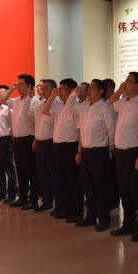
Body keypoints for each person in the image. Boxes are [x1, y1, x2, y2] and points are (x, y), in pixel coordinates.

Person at [108, 72, 138, 242]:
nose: (125, 84)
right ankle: (128, 224)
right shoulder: (124, 102)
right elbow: (111, 102)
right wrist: (120, 90)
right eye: (125, 81)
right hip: (120, 154)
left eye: (128, 82)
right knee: (125, 192)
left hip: (134, 153)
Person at [72, 80, 116, 232]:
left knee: (101, 187)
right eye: (88, 88)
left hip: (99, 152)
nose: (88, 90)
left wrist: (108, 150)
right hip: (86, 152)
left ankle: (104, 219)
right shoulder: (84, 107)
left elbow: (112, 133)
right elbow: (70, 105)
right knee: (88, 186)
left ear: (101, 92)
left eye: (92, 88)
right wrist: (74, 92)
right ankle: (91, 216)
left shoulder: (106, 109)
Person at [44, 79, 84, 222]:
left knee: (73, 182)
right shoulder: (59, 106)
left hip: (70, 148)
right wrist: (52, 95)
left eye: (63, 89)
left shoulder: (76, 108)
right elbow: (44, 110)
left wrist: (79, 152)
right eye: (58, 88)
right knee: (63, 181)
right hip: (58, 148)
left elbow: (81, 131)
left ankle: (77, 211)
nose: (59, 91)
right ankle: (67, 209)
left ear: (72, 90)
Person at [4, 75, 41, 210]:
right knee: (21, 171)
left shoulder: (35, 101)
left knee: (31, 171)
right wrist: (12, 88)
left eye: (21, 85)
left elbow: (38, 122)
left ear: (29, 86)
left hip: (29, 139)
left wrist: (36, 140)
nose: (18, 87)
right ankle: (23, 197)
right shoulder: (16, 101)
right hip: (17, 140)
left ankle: (34, 199)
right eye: (18, 84)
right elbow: (3, 99)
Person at [33, 79, 62, 213]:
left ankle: (59, 204)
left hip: (51, 144)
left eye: (46, 88)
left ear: (53, 89)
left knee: (55, 176)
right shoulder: (39, 105)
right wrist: (35, 140)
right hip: (40, 143)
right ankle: (47, 202)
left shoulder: (58, 105)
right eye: (42, 88)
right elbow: (36, 123)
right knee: (43, 175)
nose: (43, 90)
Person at [103, 78, 121, 214]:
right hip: (103, 143)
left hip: (113, 143)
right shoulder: (100, 104)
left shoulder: (115, 104)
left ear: (110, 90)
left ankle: (114, 203)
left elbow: (113, 128)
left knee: (113, 177)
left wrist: (113, 145)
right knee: (106, 176)